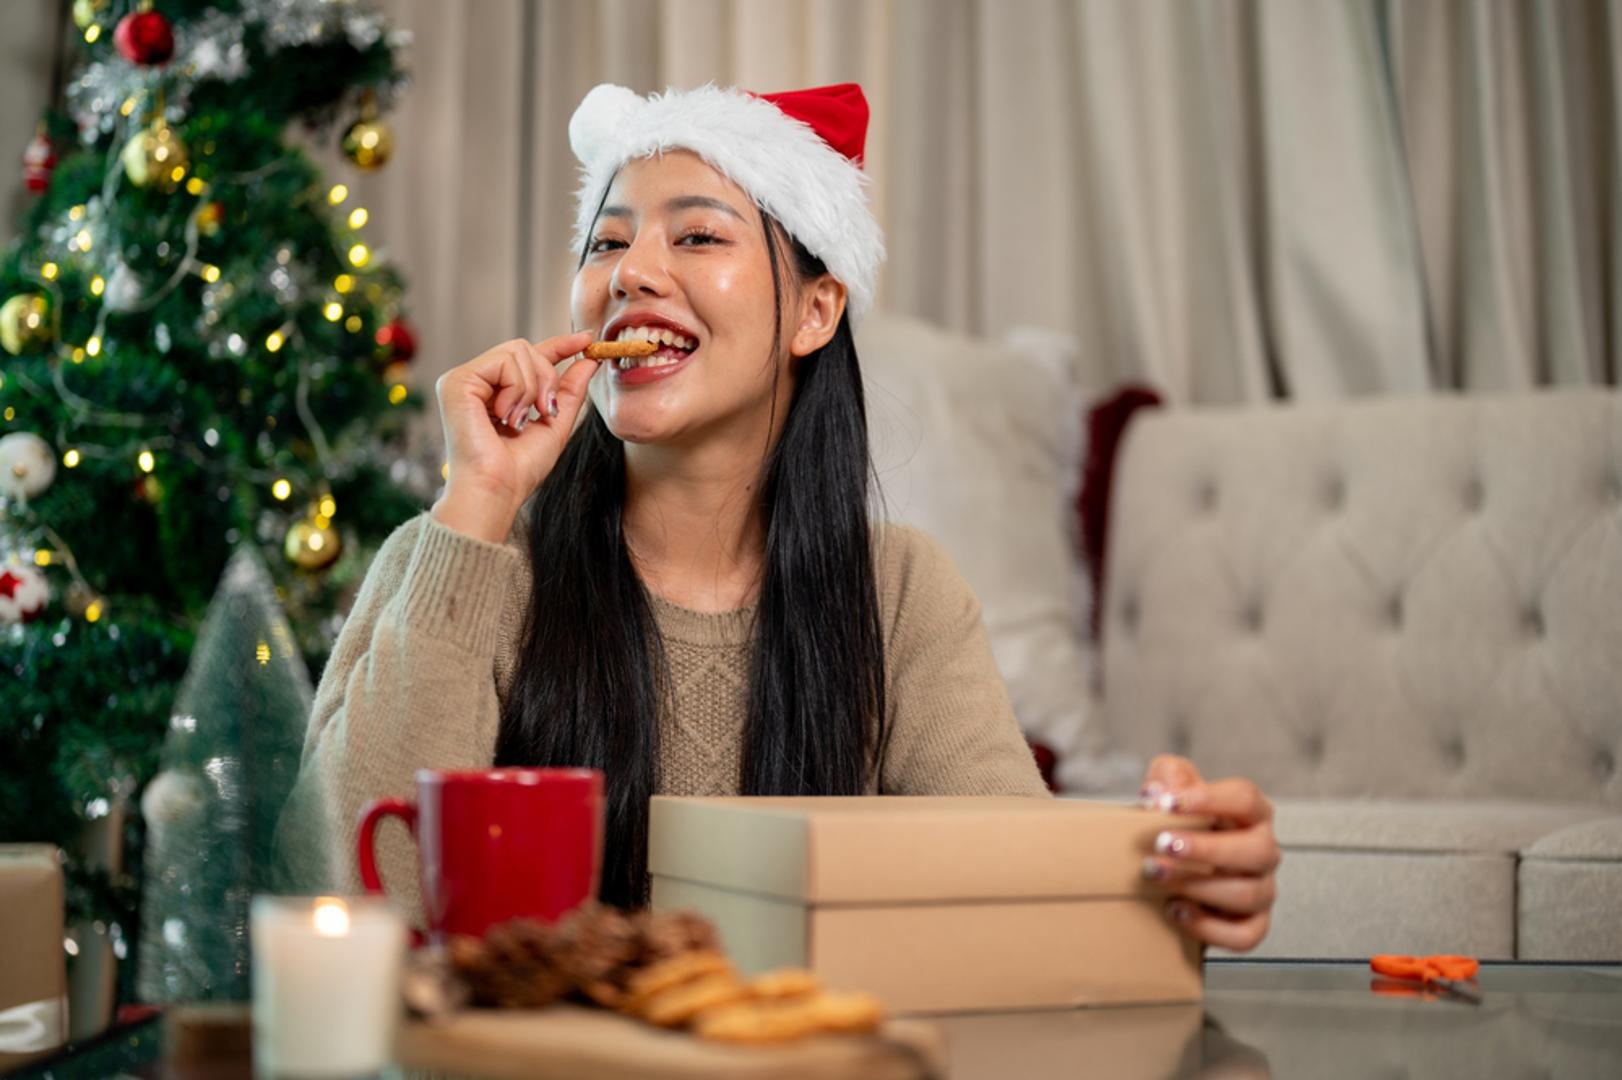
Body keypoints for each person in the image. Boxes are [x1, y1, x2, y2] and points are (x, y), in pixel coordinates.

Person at [282, 82, 1279, 951]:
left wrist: (1180, 876)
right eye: (608, 242)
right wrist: (481, 500)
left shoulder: (898, 595)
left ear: (815, 311)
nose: (629, 272)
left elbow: (1011, 892)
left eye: (699, 235)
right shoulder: (463, 554)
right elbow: (330, 899)